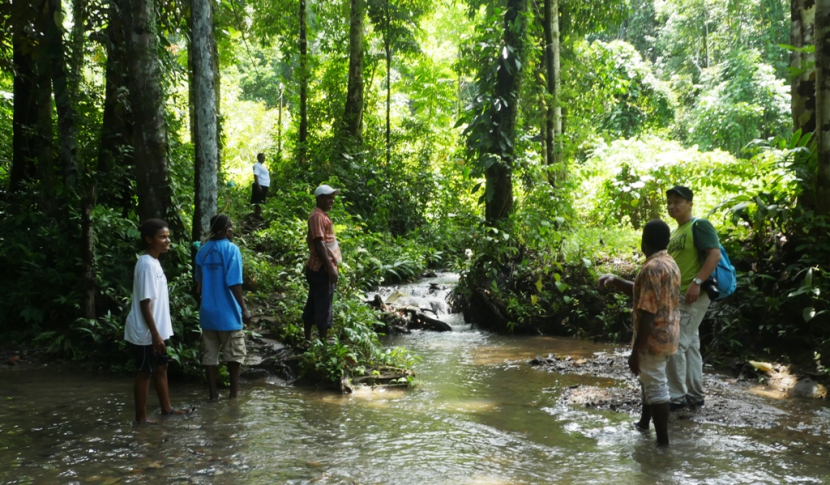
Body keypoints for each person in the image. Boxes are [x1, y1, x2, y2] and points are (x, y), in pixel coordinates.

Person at [598, 219, 681, 446]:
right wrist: (615, 281)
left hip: (653, 338)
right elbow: (643, 292)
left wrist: (635, 351)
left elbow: (649, 312)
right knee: (648, 379)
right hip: (668, 334)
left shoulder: (651, 268)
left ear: (643, 241)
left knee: (655, 384)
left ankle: (663, 444)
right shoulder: (669, 262)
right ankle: (644, 423)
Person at [124, 219, 194, 422]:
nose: (167, 240)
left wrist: (159, 333)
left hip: (157, 330)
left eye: (168, 236)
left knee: (162, 367)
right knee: (145, 372)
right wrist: (154, 334)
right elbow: (144, 303)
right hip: (146, 332)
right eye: (162, 237)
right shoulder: (146, 264)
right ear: (149, 239)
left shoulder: (154, 262)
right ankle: (141, 418)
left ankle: (167, 409)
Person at [665, 185, 721, 410]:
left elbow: (714, 255)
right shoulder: (676, 231)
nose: (672, 205)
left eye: (677, 201)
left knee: (676, 344)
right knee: (690, 345)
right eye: (669, 202)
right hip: (679, 295)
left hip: (693, 294)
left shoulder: (700, 225)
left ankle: (677, 397)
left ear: (690, 203)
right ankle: (695, 395)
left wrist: (697, 283)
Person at [195, 214, 252, 400]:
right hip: (228, 314)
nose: (233, 230)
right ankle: (233, 397)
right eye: (232, 227)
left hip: (208, 314)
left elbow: (198, 284)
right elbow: (234, 282)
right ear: (227, 230)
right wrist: (244, 309)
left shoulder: (202, 251)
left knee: (209, 357)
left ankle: (213, 395)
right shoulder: (232, 250)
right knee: (234, 357)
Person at [302, 184, 342, 344]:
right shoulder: (317, 217)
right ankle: (323, 343)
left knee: (313, 301)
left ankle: (308, 338)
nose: (332, 201)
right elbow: (318, 243)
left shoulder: (321, 215)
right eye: (329, 197)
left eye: (333, 198)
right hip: (321, 268)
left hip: (318, 267)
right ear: (320, 198)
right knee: (324, 305)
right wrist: (330, 268)